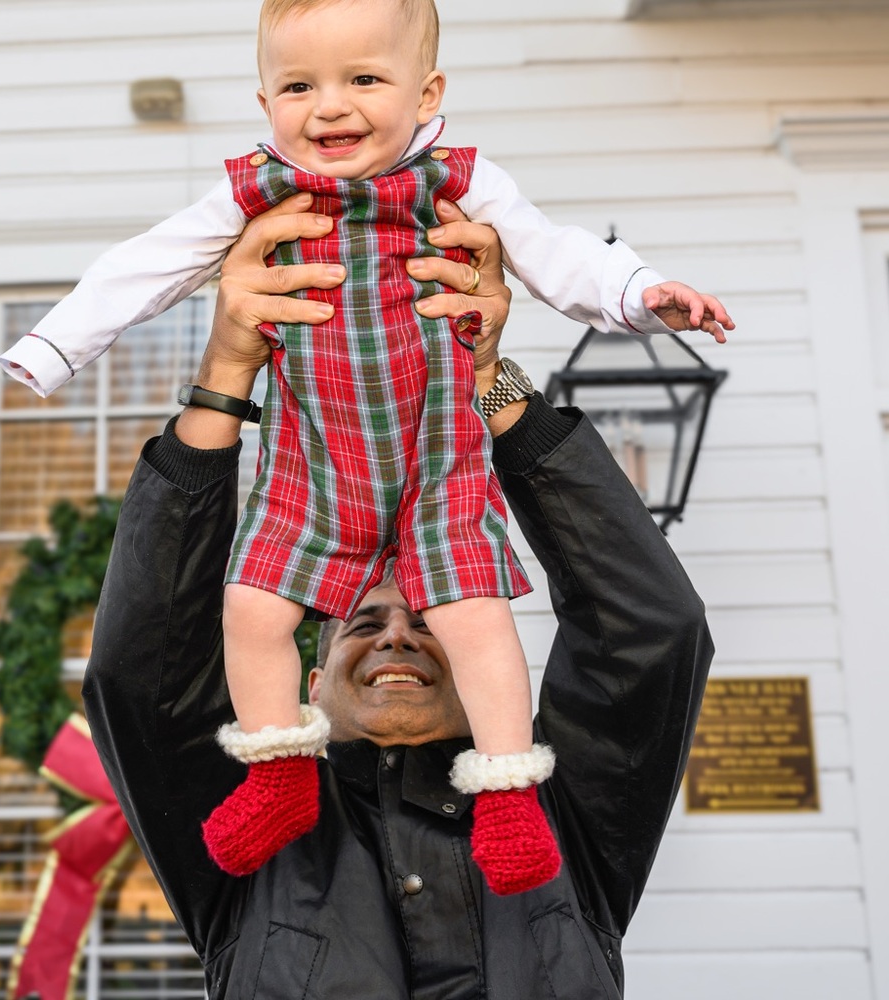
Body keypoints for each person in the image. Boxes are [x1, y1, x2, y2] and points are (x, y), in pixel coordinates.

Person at [7, 0, 733, 893]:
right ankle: (278, 773)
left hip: (439, 461)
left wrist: (638, 294)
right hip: (310, 465)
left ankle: (509, 796)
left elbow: (555, 253)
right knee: (251, 610)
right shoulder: (260, 187)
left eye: (363, 78)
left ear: (426, 94)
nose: (329, 106)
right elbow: (146, 264)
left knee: (472, 616)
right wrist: (56, 345)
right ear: (264, 101)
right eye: (297, 86)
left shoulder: (456, 180)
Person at [81, 200, 717, 998]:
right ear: (310, 685)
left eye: (429, 619)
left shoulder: (567, 818)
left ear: (490, 671)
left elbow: (650, 633)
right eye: (363, 622)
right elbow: (143, 675)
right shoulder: (249, 834)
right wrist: (226, 375)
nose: (397, 636)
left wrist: (486, 379)